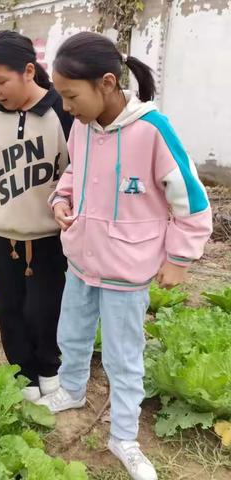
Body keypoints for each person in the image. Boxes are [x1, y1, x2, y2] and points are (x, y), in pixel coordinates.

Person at [37, 31, 212, 480]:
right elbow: (73, 172)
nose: (67, 106)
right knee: (71, 332)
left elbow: (191, 203)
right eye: (61, 95)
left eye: (71, 95)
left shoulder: (153, 131)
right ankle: (72, 390)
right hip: (82, 259)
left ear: (108, 83)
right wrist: (61, 199)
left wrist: (179, 259)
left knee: (122, 355)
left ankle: (124, 437)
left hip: (126, 271)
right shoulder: (82, 127)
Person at [0, 30, 73, 402]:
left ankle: (50, 368)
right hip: (0, 234)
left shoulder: (63, 113)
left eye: (0, 81)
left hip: (47, 237)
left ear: (27, 71)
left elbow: (82, 175)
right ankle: (23, 374)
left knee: (45, 308)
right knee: (9, 309)